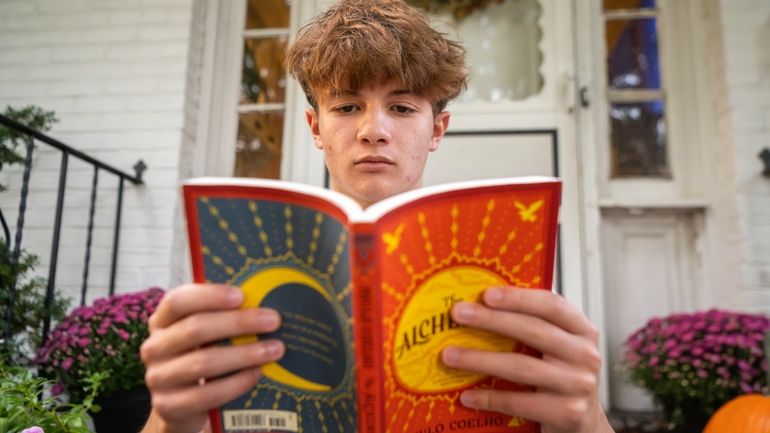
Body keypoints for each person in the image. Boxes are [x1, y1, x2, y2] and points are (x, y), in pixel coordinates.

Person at [139, 1, 616, 432]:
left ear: (437, 129)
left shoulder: (508, 280)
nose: (373, 131)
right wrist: (169, 419)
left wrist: (588, 419)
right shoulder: (241, 281)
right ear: (315, 127)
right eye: (347, 106)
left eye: (402, 107)